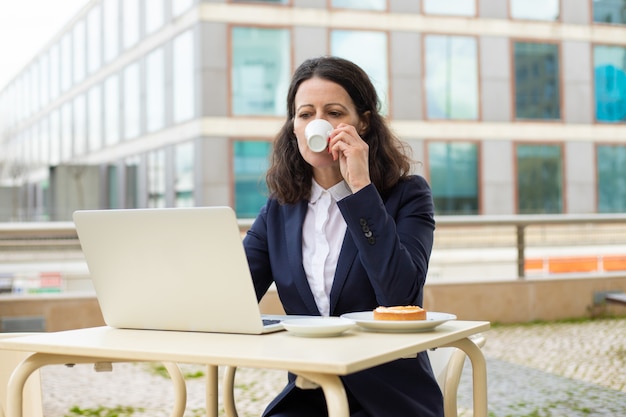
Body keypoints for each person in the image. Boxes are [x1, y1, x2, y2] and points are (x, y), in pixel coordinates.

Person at [243, 56, 442, 417]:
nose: (318, 123)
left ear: (363, 123)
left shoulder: (407, 196)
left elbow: (401, 298)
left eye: (334, 112)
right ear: (294, 128)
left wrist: (359, 190)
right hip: (311, 394)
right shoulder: (279, 210)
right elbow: (234, 296)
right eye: (305, 114)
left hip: (389, 399)